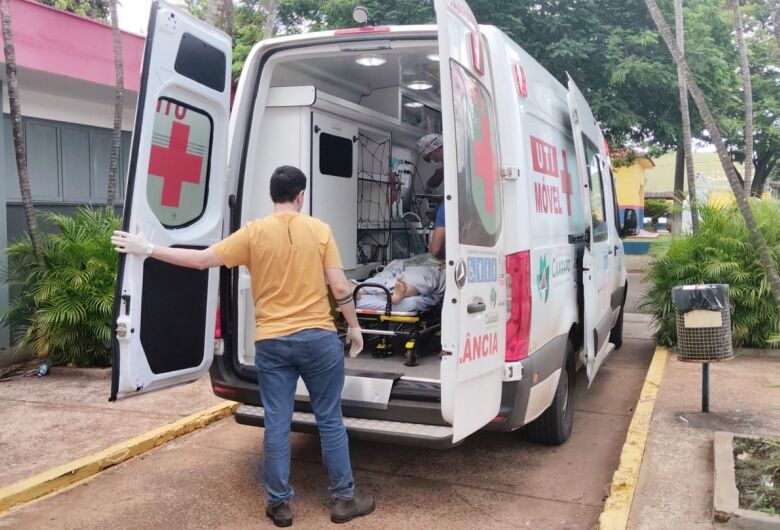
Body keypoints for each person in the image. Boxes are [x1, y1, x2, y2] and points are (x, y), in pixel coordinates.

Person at [111, 166, 375, 527]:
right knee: (329, 419)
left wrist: (149, 249)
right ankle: (344, 500)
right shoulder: (319, 230)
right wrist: (355, 328)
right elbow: (341, 289)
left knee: (277, 423)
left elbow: (202, 260)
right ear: (301, 196)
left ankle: (280, 504)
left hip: (272, 343)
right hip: (318, 339)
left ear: (272, 196)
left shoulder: (253, 233)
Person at [417, 133, 445, 259]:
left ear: (435, 148)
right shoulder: (448, 160)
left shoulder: (452, 159)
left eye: (430, 157)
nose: (433, 161)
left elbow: (434, 251)